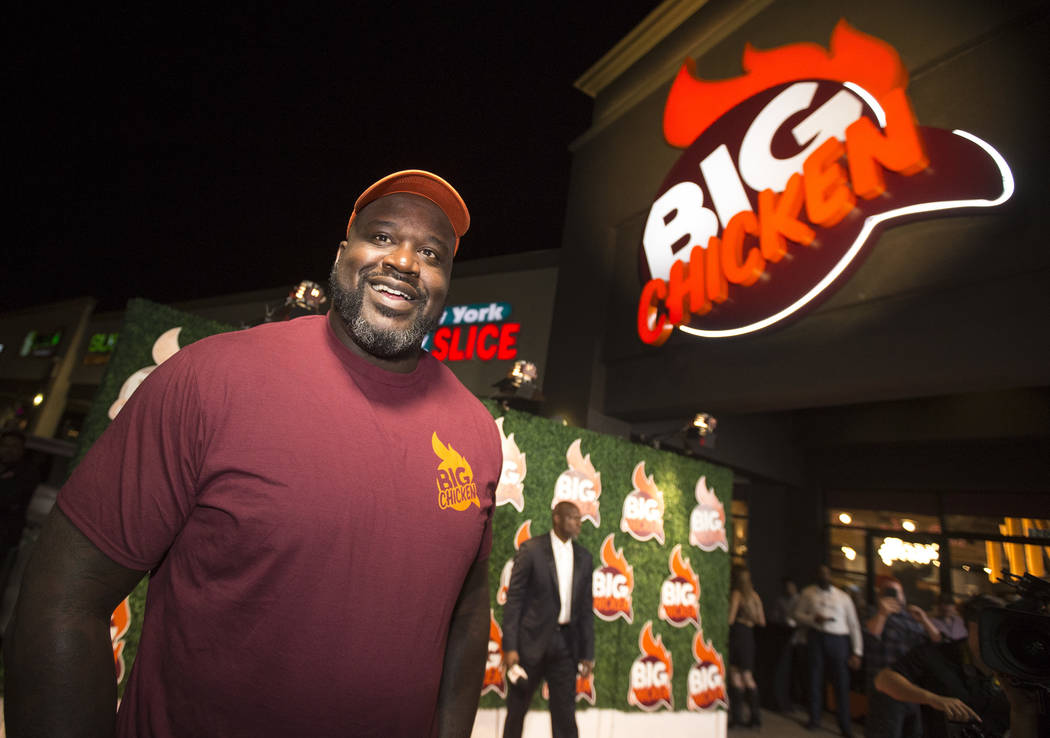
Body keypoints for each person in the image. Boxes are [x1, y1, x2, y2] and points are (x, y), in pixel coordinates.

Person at [3, 170, 503, 738]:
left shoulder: (477, 433)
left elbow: (466, 615)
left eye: (431, 252)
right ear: (343, 253)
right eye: (384, 237)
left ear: (446, 280)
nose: (406, 262)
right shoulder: (208, 379)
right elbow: (61, 604)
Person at [874, 594, 1044, 738]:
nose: (989, 642)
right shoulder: (939, 654)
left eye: (995, 632)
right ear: (968, 628)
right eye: (982, 632)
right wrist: (933, 699)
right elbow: (884, 680)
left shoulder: (1017, 664)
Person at [501, 501, 595, 738]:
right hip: (530, 644)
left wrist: (588, 652)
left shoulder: (584, 558)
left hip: (566, 646)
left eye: (579, 518)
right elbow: (514, 600)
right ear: (557, 518)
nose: (578, 522)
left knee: (565, 715)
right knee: (517, 711)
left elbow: (585, 609)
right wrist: (510, 647)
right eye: (572, 517)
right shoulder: (531, 550)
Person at [864, 575, 943, 738]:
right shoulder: (873, 612)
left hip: (912, 686)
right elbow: (870, 637)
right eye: (889, 591)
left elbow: (937, 642)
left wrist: (924, 620)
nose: (894, 595)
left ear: (903, 596)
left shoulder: (911, 617)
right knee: (886, 732)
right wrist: (882, 614)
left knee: (914, 732)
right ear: (880, 595)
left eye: (897, 592)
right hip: (885, 687)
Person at [793, 564, 863, 737]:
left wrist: (857, 651)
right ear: (816, 575)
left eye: (826, 573)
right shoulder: (808, 593)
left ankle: (844, 725)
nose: (824, 576)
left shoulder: (843, 597)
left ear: (831, 575)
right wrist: (812, 619)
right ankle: (814, 718)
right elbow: (797, 615)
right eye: (820, 573)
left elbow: (853, 624)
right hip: (816, 636)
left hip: (838, 639)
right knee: (814, 680)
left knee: (841, 682)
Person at [728, 567, 766, 726]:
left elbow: (730, 619)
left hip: (738, 634)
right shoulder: (755, 596)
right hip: (749, 636)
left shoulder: (737, 595)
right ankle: (755, 717)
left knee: (735, 675)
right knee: (748, 676)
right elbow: (762, 621)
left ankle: (737, 718)